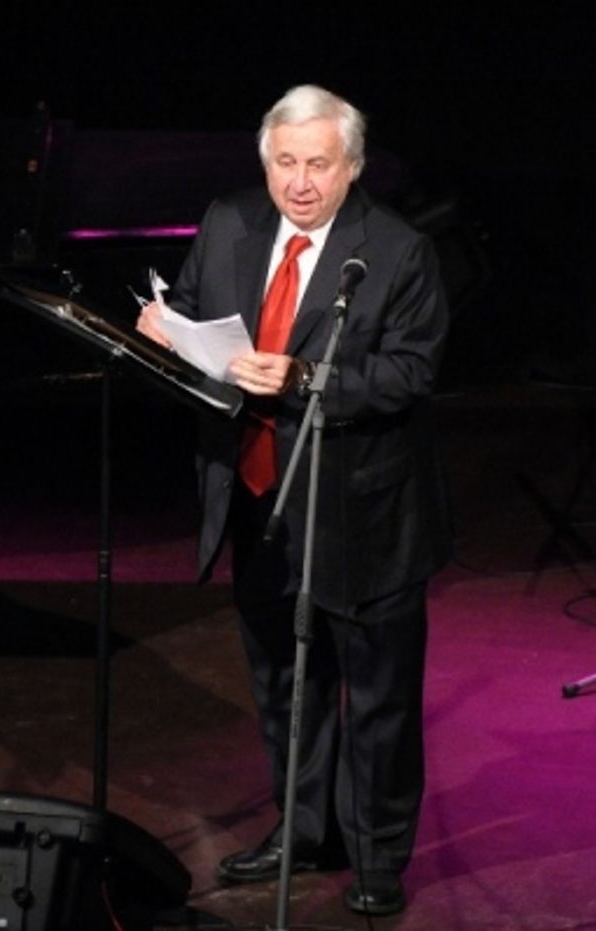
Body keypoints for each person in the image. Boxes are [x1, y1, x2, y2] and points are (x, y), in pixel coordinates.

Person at [136, 84, 451, 917]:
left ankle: (379, 852)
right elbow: (201, 321)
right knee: (284, 681)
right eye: (285, 162)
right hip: (257, 494)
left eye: (319, 163)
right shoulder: (230, 222)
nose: (300, 181)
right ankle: (306, 828)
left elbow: (412, 372)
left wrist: (309, 377)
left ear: (352, 167)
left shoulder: (395, 250)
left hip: (364, 510)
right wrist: (164, 331)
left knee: (377, 697)